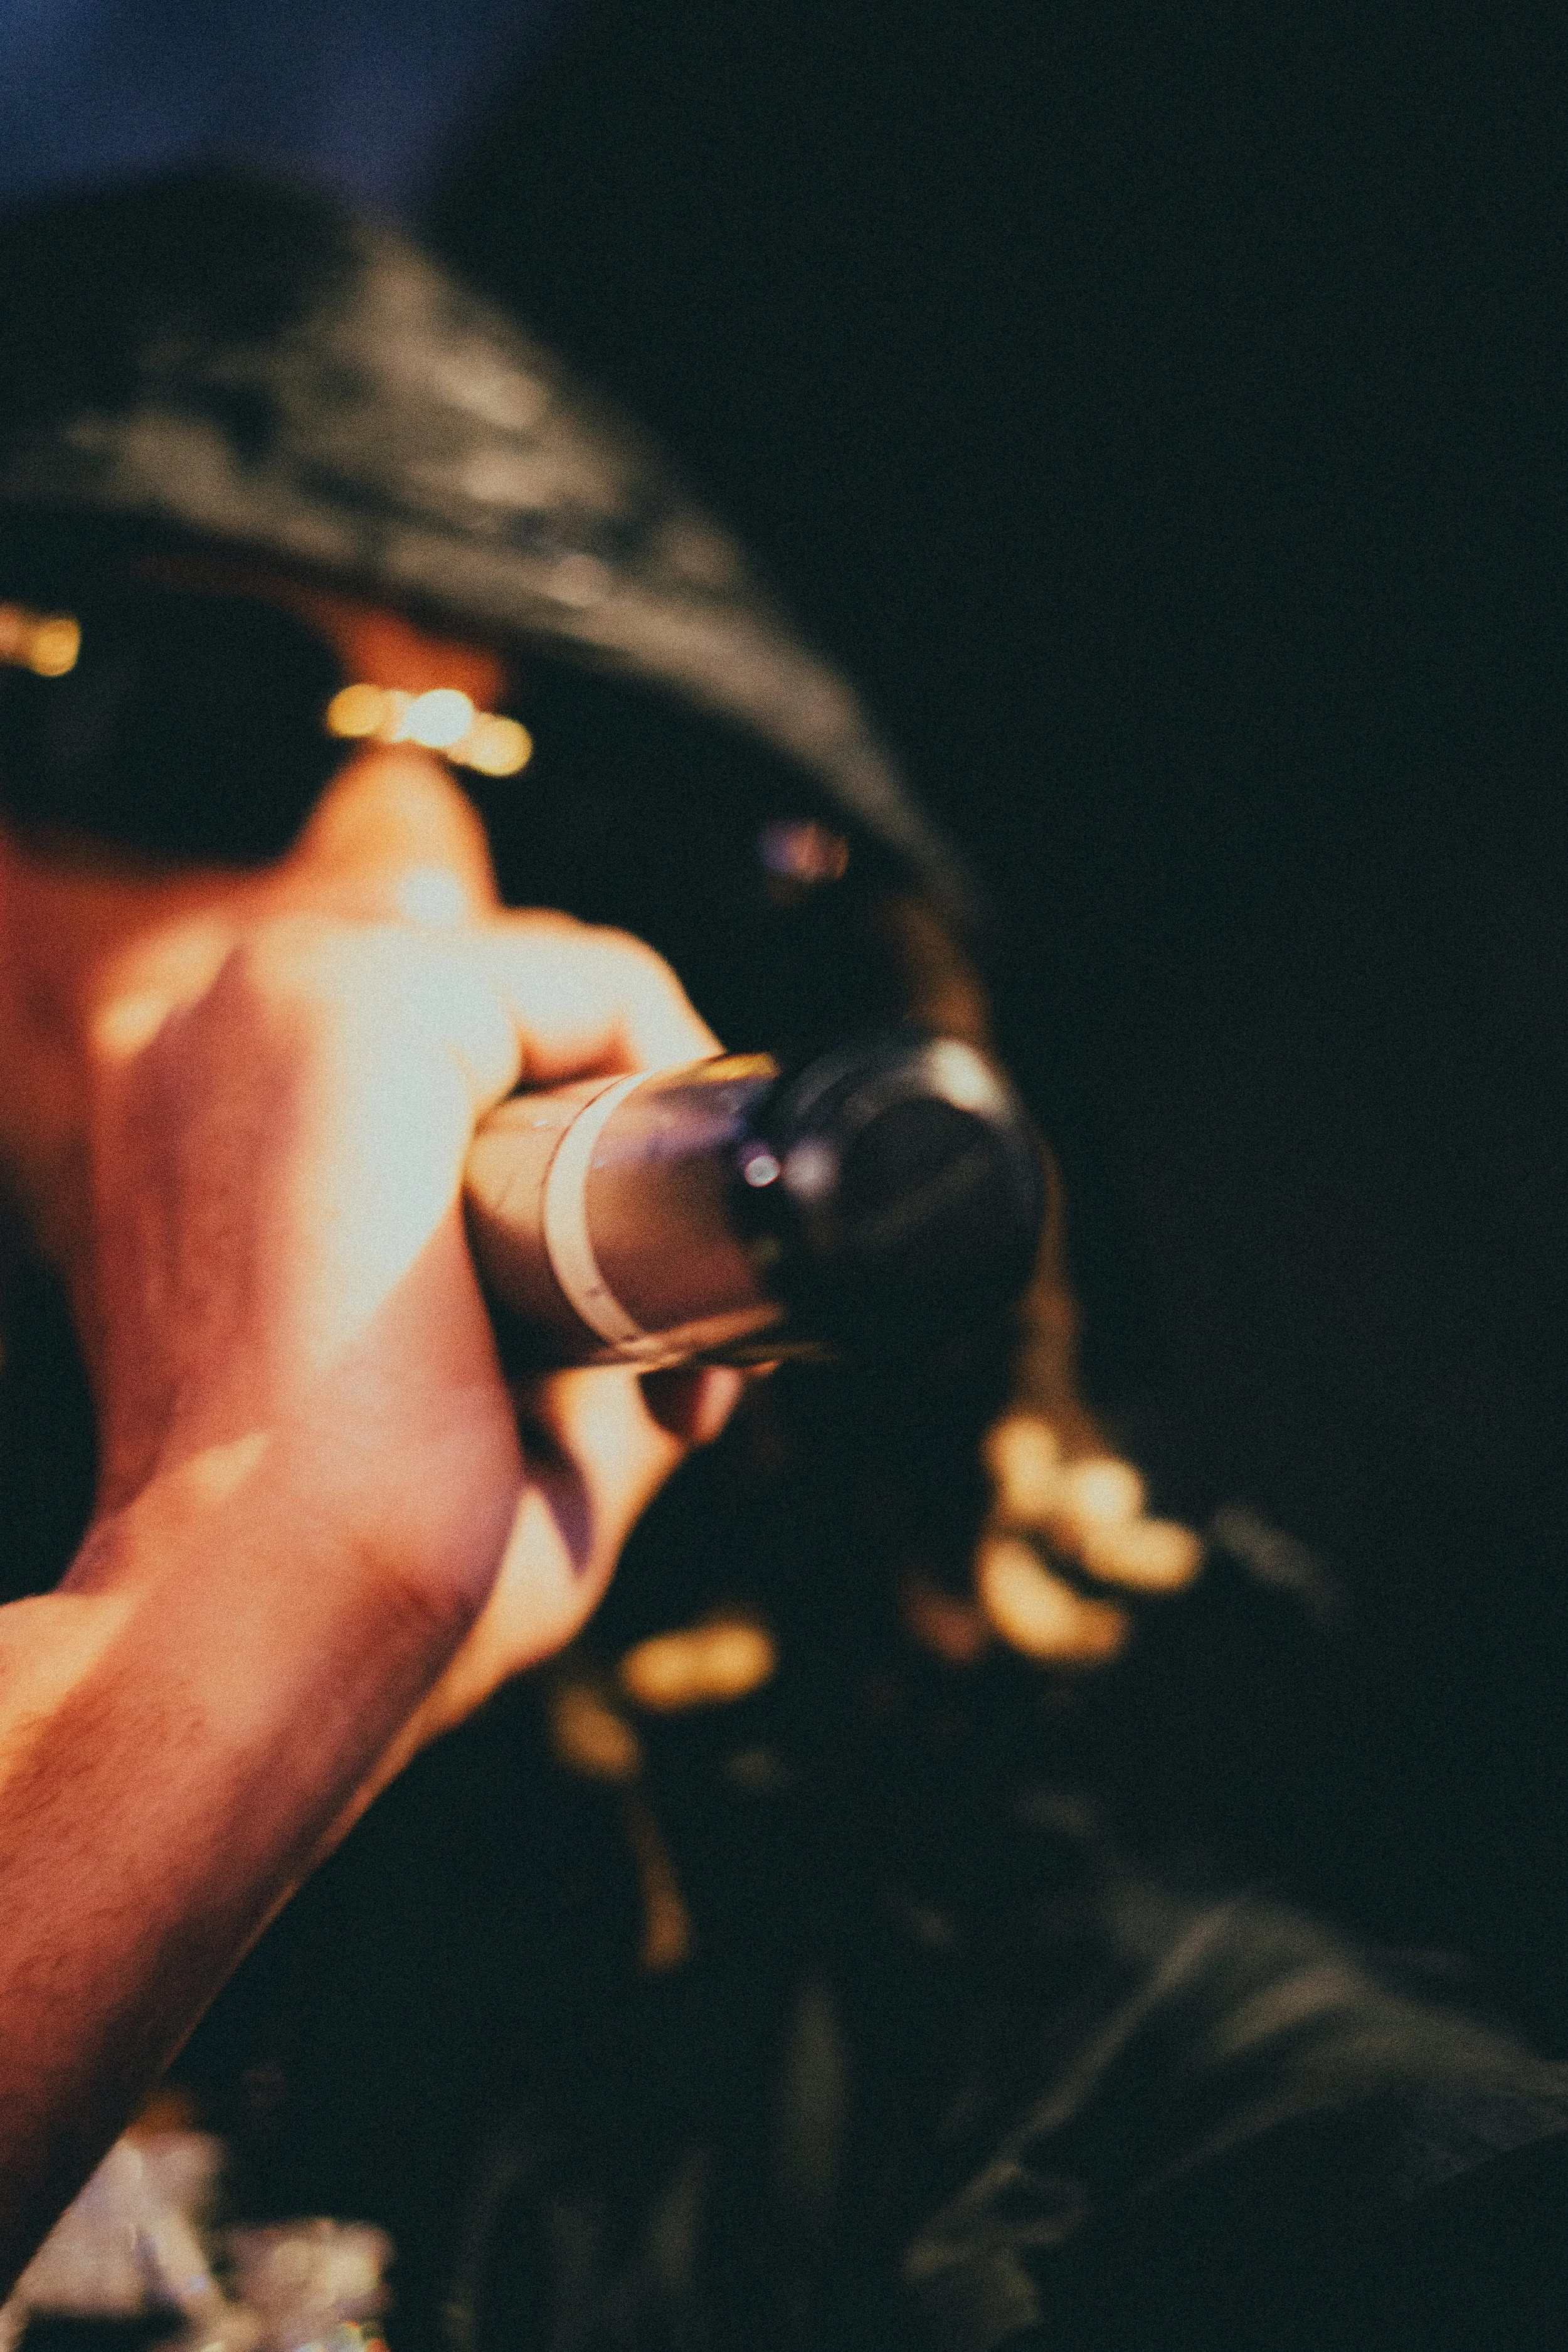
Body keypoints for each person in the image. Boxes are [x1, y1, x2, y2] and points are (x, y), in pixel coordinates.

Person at [0, 169, 1564, 2349]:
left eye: (582, 814)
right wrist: (220, 1618)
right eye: (178, 708)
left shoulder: (992, 2077)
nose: (418, 899)